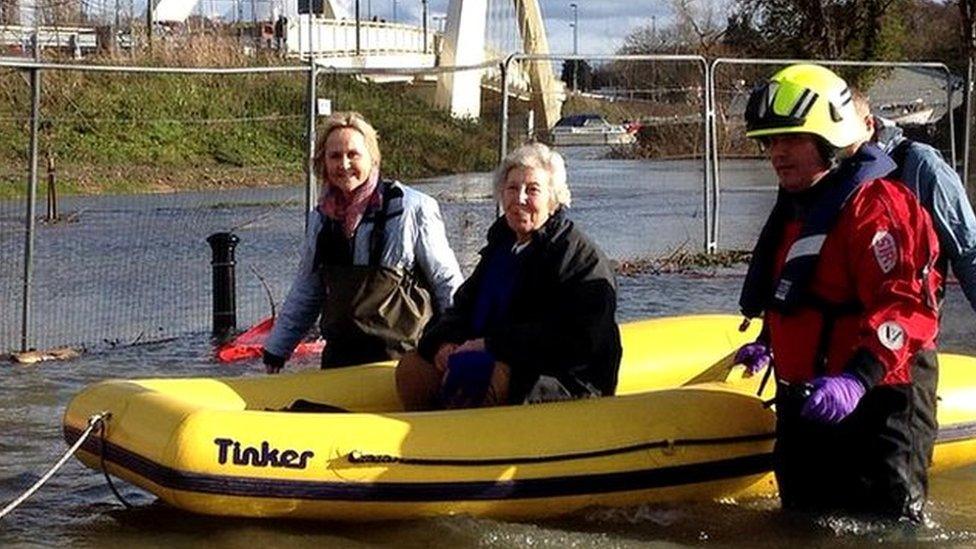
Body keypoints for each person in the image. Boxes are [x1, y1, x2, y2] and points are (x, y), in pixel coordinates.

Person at [734, 64, 942, 521]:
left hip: (878, 404)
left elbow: (906, 307)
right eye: (770, 142)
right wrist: (770, 342)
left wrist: (857, 380)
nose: (777, 154)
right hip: (807, 404)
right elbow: (800, 288)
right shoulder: (799, 205)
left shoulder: (878, 208)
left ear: (829, 140)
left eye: (790, 140)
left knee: (885, 529)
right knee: (800, 525)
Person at [395, 142, 622, 410]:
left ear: (553, 199)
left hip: (561, 377)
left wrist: (492, 346)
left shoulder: (581, 258)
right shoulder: (500, 248)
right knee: (412, 369)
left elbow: (577, 341)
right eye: (512, 188)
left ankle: (468, 442)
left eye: (533, 190)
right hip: (494, 357)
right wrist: (442, 344)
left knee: (477, 377)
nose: (520, 198)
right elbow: (462, 307)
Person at [263, 111, 463, 372]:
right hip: (340, 361)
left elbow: (446, 282)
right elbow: (307, 290)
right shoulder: (321, 219)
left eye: (353, 155)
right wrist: (276, 351)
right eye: (334, 156)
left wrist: (454, 344)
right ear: (323, 162)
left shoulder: (413, 208)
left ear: (372, 157)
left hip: (402, 361)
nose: (343, 165)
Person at [851, 91, 976, 313]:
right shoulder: (825, 168)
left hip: (905, 331)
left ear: (869, 124)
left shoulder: (921, 165)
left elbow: (968, 250)